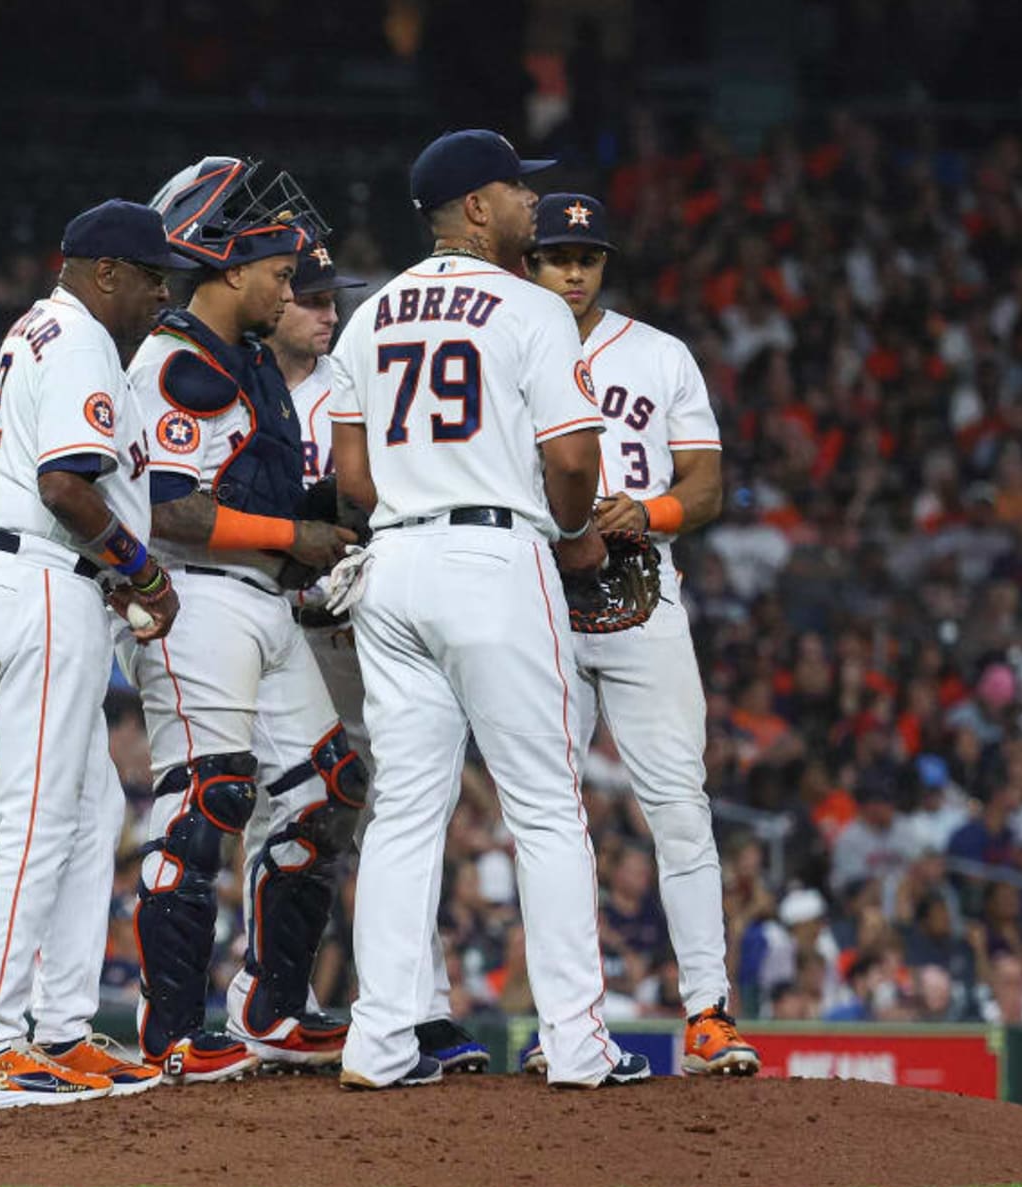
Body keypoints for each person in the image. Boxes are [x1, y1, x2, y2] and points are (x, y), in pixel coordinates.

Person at [329, 129, 645, 1090]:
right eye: (516, 189)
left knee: (404, 817)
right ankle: (580, 1045)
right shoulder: (532, 308)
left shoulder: (368, 313)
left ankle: (378, 1044)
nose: (531, 205)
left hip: (394, 561)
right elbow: (578, 458)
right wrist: (575, 533)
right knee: (547, 807)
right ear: (475, 207)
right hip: (496, 554)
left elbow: (349, 477)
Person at [511, 192, 760, 1076]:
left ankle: (707, 1012)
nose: (573, 271)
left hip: (645, 600)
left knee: (680, 808)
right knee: (549, 816)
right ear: (528, 261)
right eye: (555, 256)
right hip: (539, 602)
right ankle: (564, 1026)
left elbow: (707, 487)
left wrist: (644, 511)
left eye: (587, 257)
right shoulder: (505, 341)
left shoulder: (660, 354)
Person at [0, 200, 182, 1109]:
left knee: (90, 800)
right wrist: (145, 574)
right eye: (152, 274)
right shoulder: (79, 334)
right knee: (43, 811)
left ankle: (63, 1029)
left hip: (14, 573)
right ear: (106, 271)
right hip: (39, 575)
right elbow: (66, 486)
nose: (163, 291)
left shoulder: (45, 327)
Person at [126, 158, 362, 1080]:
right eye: (276, 267)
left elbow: (254, 481)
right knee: (207, 800)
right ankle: (172, 1025)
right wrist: (296, 531)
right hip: (193, 594)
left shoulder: (252, 359)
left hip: (263, 599)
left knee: (324, 787)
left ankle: (272, 1006)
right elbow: (170, 507)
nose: (290, 280)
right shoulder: (174, 360)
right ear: (227, 271)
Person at [271, 234, 494, 1074]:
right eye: (316, 299)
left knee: (395, 812)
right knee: (280, 814)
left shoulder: (359, 380)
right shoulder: (239, 387)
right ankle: (276, 1004)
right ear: (274, 298)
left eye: (337, 299)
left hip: (350, 634)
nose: (333, 313)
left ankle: (417, 1007)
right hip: (263, 628)